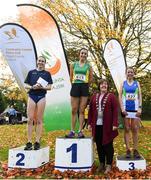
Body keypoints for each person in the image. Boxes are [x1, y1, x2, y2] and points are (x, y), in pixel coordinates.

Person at [88, 79, 118, 174]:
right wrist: (89, 123)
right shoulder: (94, 97)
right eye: (102, 84)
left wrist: (115, 124)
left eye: (105, 84)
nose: (103, 85)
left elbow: (115, 111)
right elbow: (90, 112)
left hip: (108, 125)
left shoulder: (112, 96)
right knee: (99, 145)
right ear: (99, 86)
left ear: (107, 86)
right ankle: (101, 163)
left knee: (108, 145)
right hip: (97, 125)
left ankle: (109, 164)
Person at [24, 56, 53, 150]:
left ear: (45, 63)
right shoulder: (31, 72)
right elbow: (26, 85)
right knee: (30, 119)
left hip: (41, 97)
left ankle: (37, 141)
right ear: (37, 62)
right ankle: (28, 142)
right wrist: (33, 87)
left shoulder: (47, 73)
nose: (41, 62)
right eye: (39, 60)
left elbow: (49, 87)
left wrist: (41, 87)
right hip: (32, 96)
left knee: (39, 120)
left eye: (43, 61)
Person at [66, 48, 93, 138]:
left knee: (81, 110)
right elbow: (71, 77)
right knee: (74, 109)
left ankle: (80, 131)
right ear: (79, 54)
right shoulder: (73, 65)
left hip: (84, 87)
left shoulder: (89, 66)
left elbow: (90, 79)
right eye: (82, 53)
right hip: (75, 86)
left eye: (85, 54)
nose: (83, 55)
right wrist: (75, 84)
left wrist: (85, 85)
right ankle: (72, 131)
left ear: (87, 55)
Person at [119, 67, 142, 159]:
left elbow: (140, 96)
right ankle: (128, 149)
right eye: (128, 72)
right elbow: (120, 96)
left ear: (133, 73)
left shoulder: (137, 83)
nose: (130, 73)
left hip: (135, 110)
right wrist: (122, 109)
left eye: (131, 72)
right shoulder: (123, 83)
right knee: (127, 129)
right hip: (126, 110)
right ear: (126, 73)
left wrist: (140, 108)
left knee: (135, 129)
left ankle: (135, 150)